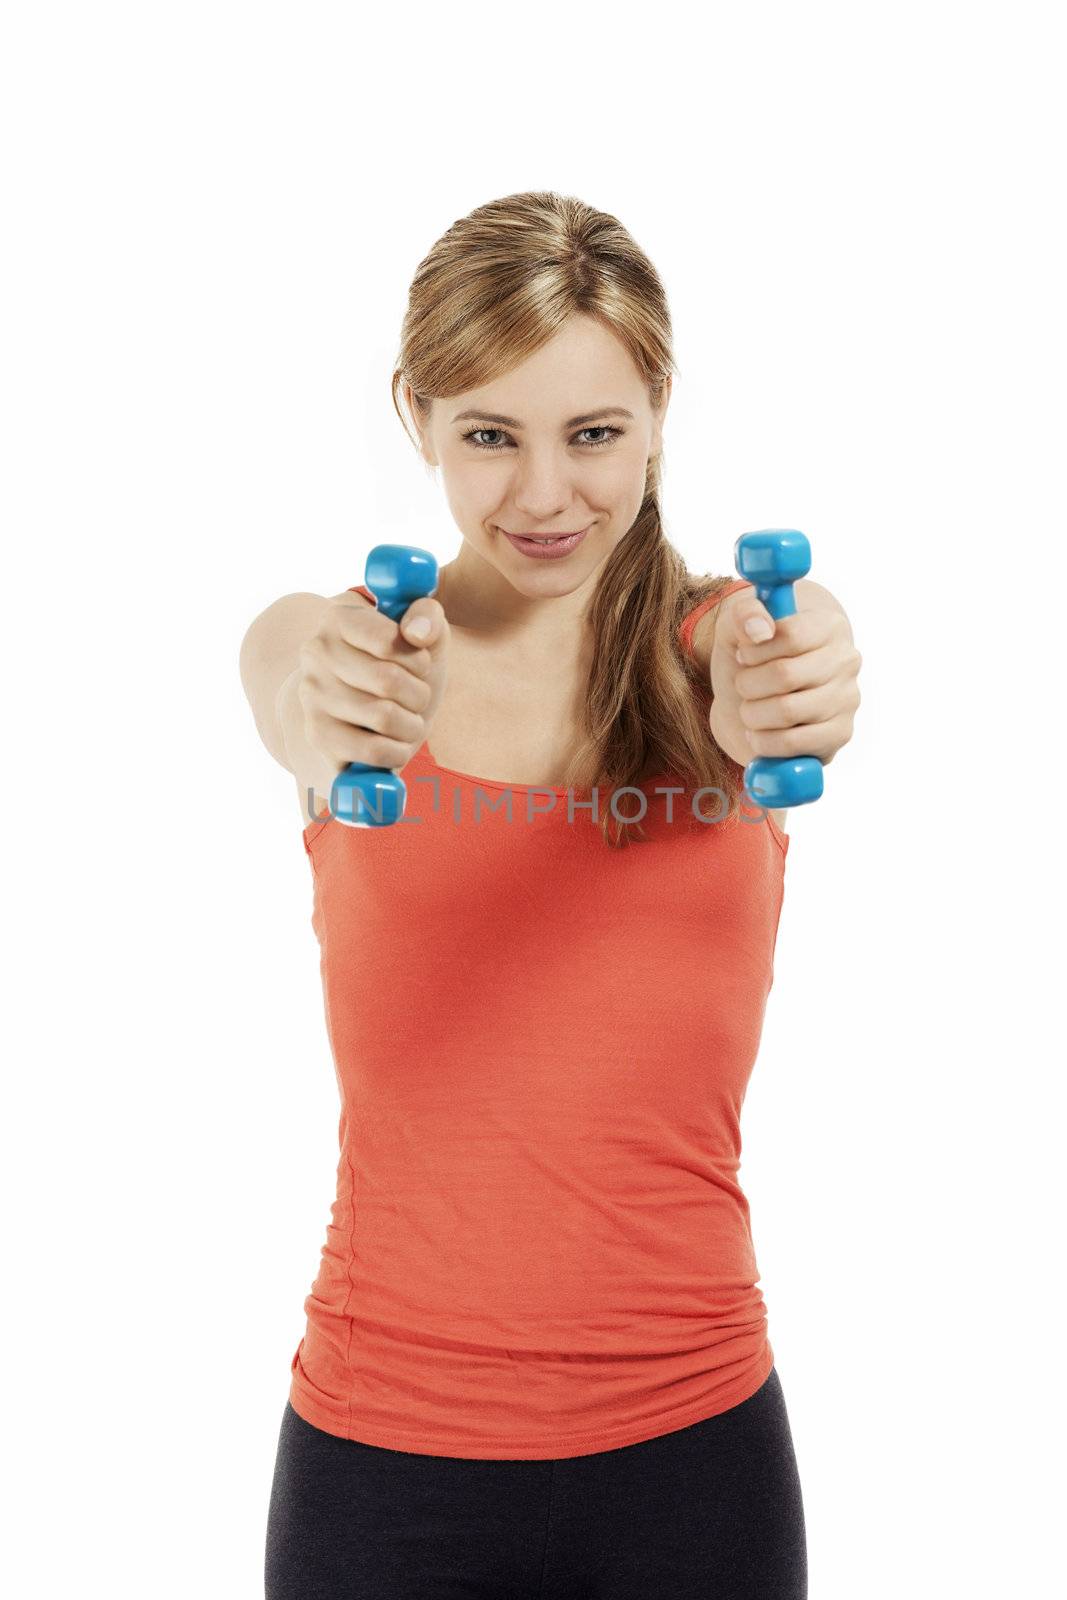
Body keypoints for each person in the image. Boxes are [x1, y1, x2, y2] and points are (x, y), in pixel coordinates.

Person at [241, 190, 861, 1599]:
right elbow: (293, 691)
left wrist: (804, 675)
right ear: (419, 415)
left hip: (693, 1458)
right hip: (377, 1463)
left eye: (593, 435)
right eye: (488, 437)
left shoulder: (724, 652)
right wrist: (322, 707)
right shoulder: (344, 656)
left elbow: (791, 671)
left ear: (656, 415)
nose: (542, 497)